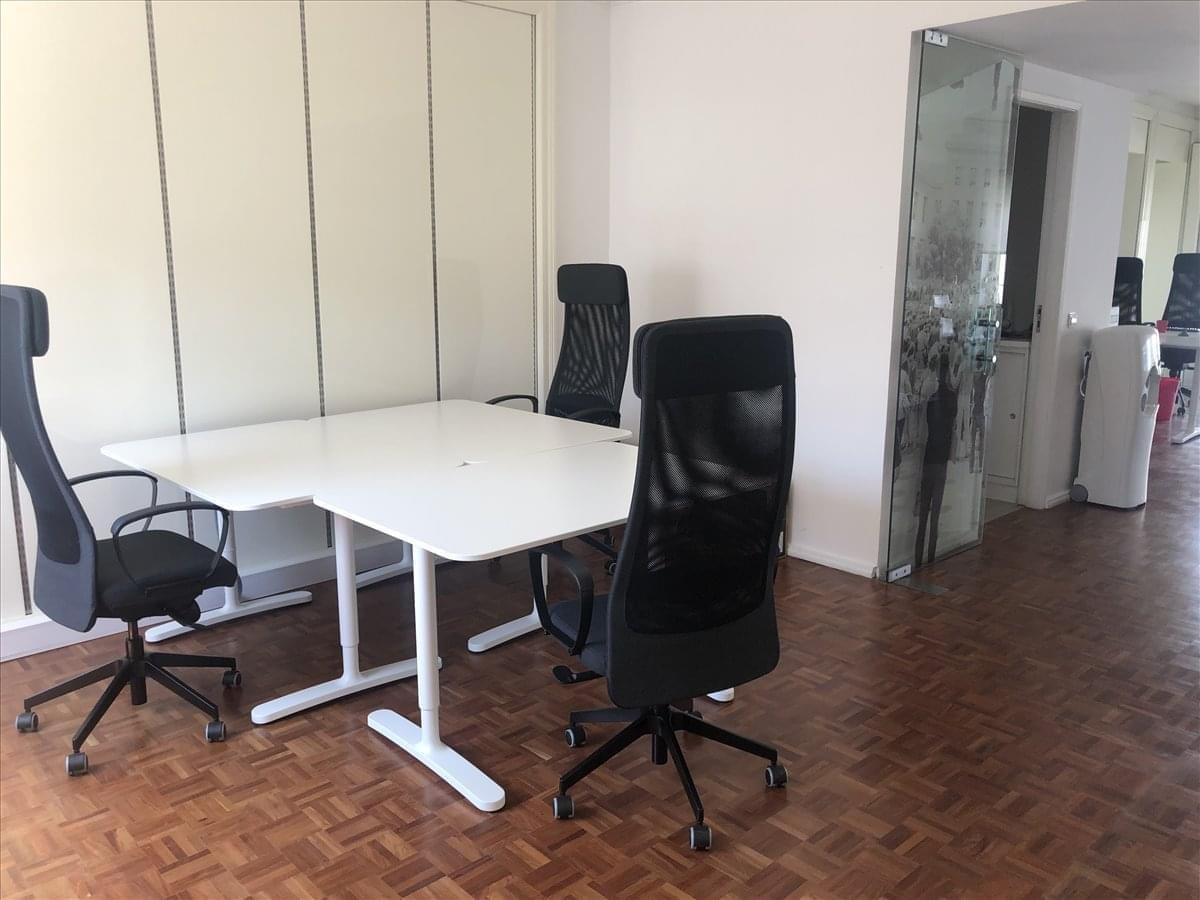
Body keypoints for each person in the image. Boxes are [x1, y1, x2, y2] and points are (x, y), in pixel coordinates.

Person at [915, 350, 958, 565]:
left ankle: (919, 556)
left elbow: (925, 429)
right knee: (935, 513)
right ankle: (930, 556)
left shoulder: (933, 399)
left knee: (923, 513)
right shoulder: (951, 399)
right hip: (940, 459)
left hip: (930, 457)